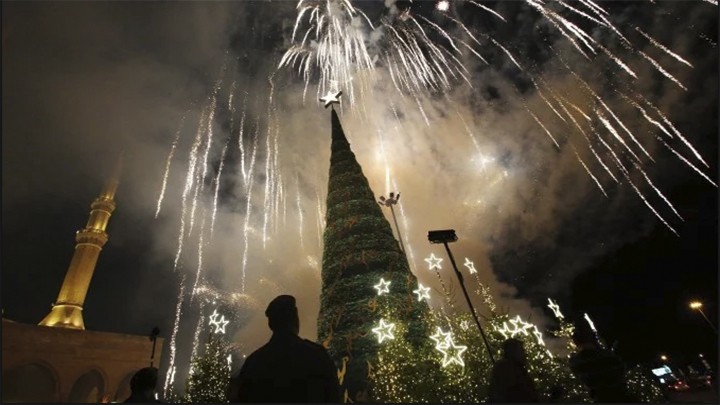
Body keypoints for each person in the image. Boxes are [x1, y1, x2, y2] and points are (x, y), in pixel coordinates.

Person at [228, 295, 341, 403]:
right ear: (295, 319)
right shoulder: (317, 356)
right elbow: (333, 396)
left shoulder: (254, 362)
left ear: (270, 324)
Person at [569, 323, 637, 403]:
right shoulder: (608, 356)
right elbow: (621, 369)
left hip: (601, 398)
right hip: (620, 396)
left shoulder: (575, 362)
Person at [488, 338, 539, 403]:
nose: (525, 354)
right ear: (513, 352)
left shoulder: (514, 368)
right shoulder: (508, 369)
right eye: (521, 350)